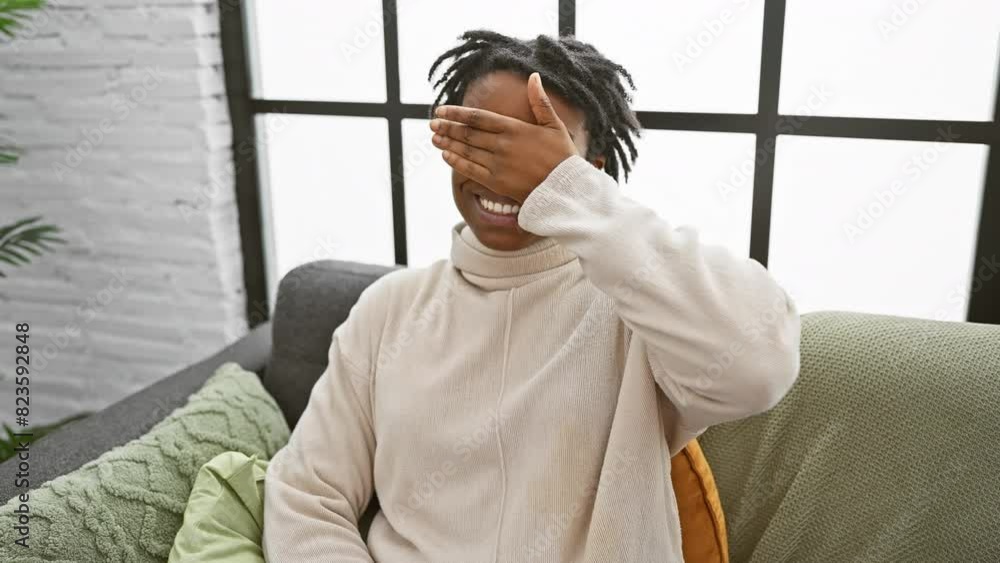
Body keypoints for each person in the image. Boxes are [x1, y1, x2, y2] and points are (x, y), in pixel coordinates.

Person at [262, 30, 800, 563]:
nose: (504, 178)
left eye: (536, 153)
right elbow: (307, 494)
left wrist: (564, 190)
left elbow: (758, 362)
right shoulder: (389, 309)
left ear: (590, 172)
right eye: (483, 142)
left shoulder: (638, 309)